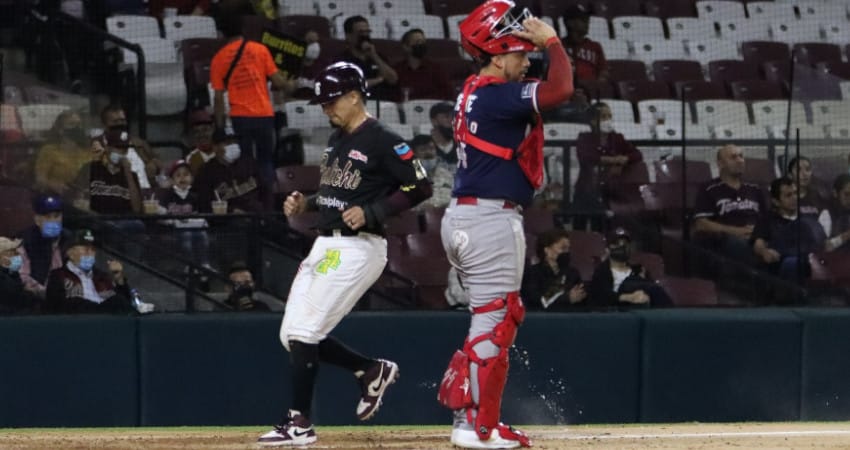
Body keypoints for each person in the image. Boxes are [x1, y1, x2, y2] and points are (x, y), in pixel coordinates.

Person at [257, 62, 432, 446]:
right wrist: (308, 203)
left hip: (359, 245)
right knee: (292, 335)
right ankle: (369, 369)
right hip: (328, 242)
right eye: (322, 102)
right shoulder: (338, 139)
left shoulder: (383, 139)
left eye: (331, 100)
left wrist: (375, 212)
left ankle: (299, 422)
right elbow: (341, 194)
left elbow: (421, 187)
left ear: (355, 96)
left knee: (304, 331)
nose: (325, 108)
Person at [437, 2, 572, 448]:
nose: (524, 59)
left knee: (487, 322)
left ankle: (471, 418)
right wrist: (552, 41)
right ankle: (478, 425)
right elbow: (561, 90)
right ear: (496, 56)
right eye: (517, 53)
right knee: (496, 323)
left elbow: (544, 87)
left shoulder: (476, 89)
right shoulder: (495, 95)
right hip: (489, 219)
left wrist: (537, 45)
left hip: (467, 217)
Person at [211, 6, 289, 186]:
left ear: (221, 32)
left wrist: (220, 127)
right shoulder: (259, 50)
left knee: (244, 162)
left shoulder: (219, 58)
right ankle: (269, 205)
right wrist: (292, 83)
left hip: (240, 118)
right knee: (265, 161)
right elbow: (279, 83)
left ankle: (250, 202)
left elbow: (217, 98)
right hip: (264, 115)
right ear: (242, 28)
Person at [44, 229, 154, 314]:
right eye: (86, 249)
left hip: (107, 322)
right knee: (77, 302)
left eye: (93, 250)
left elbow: (125, 305)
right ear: (70, 253)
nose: (90, 253)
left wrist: (119, 279)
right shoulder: (58, 275)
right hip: (77, 325)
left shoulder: (102, 277)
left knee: (118, 301)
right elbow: (55, 307)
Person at [572, 102, 643, 231]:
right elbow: (587, 156)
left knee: (601, 228)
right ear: (593, 121)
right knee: (580, 227)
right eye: (604, 117)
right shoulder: (584, 138)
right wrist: (612, 160)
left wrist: (625, 159)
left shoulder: (617, 138)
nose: (608, 120)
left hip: (609, 189)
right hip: (587, 189)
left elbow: (637, 154)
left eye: (609, 116)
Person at [692, 144, 766, 265]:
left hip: (757, 237)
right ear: (720, 164)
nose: (739, 160)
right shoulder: (709, 189)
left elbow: (765, 219)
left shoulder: (755, 189)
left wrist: (759, 236)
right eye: (733, 157)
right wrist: (737, 231)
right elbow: (701, 224)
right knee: (739, 245)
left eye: (741, 156)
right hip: (728, 240)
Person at [752, 177, 825, 282]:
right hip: (781, 264)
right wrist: (765, 252)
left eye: (795, 193)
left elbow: (822, 243)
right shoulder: (767, 220)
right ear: (776, 201)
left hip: (809, 259)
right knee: (793, 263)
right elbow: (758, 244)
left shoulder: (808, 218)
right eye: (788, 195)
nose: (794, 198)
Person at [587, 227, 671, 308]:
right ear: (608, 249)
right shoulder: (601, 271)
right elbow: (600, 297)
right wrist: (628, 297)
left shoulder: (639, 270)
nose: (622, 246)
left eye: (625, 244)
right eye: (617, 244)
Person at [194, 128, 272, 213]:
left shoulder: (249, 163)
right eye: (228, 143)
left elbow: (266, 192)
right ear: (215, 147)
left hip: (256, 217)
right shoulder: (206, 171)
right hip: (228, 221)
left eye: (235, 142)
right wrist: (230, 211)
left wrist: (266, 214)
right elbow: (204, 204)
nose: (233, 146)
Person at [155, 160, 212, 270]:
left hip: (193, 227)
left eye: (186, 174)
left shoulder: (195, 196)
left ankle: (205, 263)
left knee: (202, 235)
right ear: (172, 180)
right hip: (174, 229)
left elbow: (200, 215)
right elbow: (160, 214)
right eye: (178, 175)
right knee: (187, 236)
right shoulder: (167, 195)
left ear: (192, 178)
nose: (182, 178)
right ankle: (190, 265)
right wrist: (171, 220)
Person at [101, 104, 164, 191]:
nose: (120, 124)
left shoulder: (138, 143)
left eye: (122, 120)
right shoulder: (100, 147)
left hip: (147, 195)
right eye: (115, 122)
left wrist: (154, 167)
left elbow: (159, 166)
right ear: (105, 124)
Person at [336, 15, 398, 101]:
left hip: (384, 104)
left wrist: (374, 56)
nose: (365, 36)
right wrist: (379, 79)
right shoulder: (341, 60)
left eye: (367, 32)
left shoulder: (378, 56)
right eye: (360, 33)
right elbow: (352, 86)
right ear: (348, 36)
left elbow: (393, 79)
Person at [520, 228, 586, 310]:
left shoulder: (573, 273)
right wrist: (566, 298)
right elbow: (536, 301)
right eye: (563, 248)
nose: (566, 252)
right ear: (547, 250)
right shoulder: (533, 273)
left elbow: (581, 299)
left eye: (568, 249)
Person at [18, 194, 68, 298]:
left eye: (56, 216)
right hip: (38, 300)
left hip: (70, 297)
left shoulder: (70, 239)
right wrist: (45, 292)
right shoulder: (25, 241)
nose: (53, 221)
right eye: (47, 217)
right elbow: (23, 277)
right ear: (37, 220)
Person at [34, 110, 93, 196]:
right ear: (60, 130)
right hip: (59, 196)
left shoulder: (89, 150)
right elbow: (40, 179)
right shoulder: (49, 151)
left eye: (79, 124)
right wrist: (52, 185)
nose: (77, 128)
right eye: (72, 124)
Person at [390, 28, 454, 102]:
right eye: (417, 42)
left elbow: (448, 93)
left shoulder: (435, 68)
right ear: (406, 47)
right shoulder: (397, 69)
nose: (421, 45)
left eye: (423, 42)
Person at [560, 4, 608, 83]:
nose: (587, 23)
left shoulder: (595, 46)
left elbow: (603, 71)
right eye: (583, 20)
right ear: (570, 23)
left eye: (587, 20)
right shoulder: (558, 46)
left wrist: (596, 86)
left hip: (591, 91)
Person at [411, 134, 454, 209]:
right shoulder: (407, 175)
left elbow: (452, 197)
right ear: (414, 154)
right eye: (423, 149)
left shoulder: (446, 173)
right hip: (417, 218)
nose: (428, 152)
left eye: (431, 148)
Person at [0, 237, 40, 314]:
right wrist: (29, 293)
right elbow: (17, 297)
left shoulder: (12, 274)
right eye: (12, 252)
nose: (17, 255)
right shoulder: (2, 278)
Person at [818, 173, 850, 252]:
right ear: (835, 193)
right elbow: (825, 247)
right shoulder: (826, 214)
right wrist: (847, 235)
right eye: (846, 194)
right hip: (835, 260)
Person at [184, 109, 217, 176]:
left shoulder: (223, 152)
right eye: (197, 132)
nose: (201, 135)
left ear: (213, 129)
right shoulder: (191, 158)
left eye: (205, 130)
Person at [429, 102, 458, 166]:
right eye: (446, 116)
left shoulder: (462, 145)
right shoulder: (423, 146)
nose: (452, 120)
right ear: (434, 121)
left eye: (453, 116)